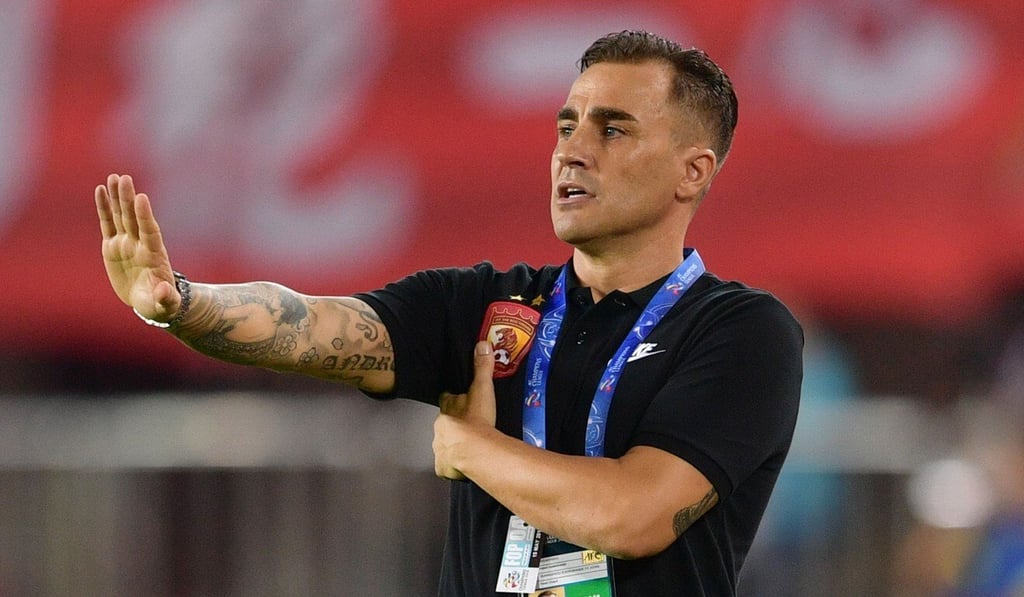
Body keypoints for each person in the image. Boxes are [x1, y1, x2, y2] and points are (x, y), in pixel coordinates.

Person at [95, 30, 803, 596]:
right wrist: (182, 303)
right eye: (567, 124)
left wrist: (472, 448)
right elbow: (313, 325)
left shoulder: (741, 331)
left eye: (613, 130)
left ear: (693, 171)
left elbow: (633, 514)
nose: (573, 151)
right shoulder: (485, 305)